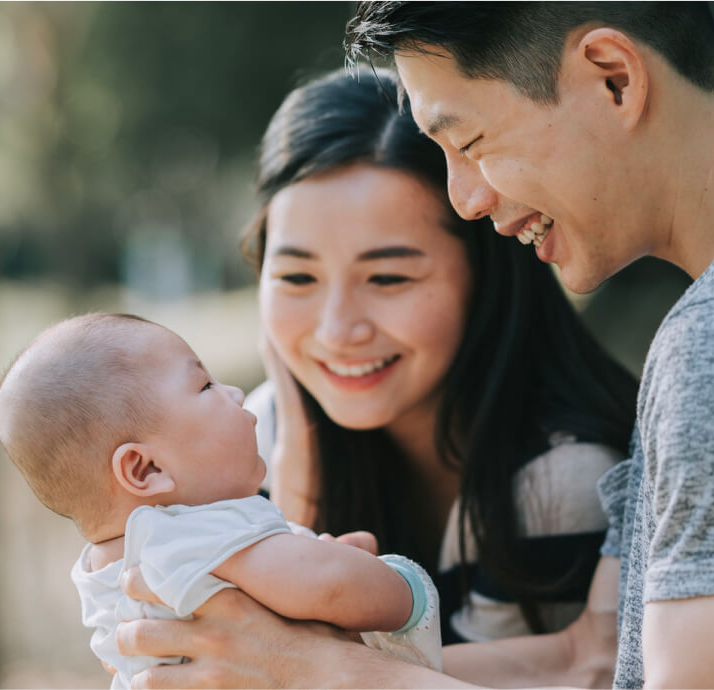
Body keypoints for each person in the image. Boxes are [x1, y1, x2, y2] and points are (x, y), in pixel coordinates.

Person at [116, 3, 714, 688]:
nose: (465, 198)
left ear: (613, 76)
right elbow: (596, 659)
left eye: (471, 139)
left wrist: (323, 678)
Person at [120, 66, 641, 688]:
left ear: (486, 278)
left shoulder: (557, 476)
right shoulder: (256, 433)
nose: (339, 329)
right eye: (297, 278)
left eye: (389, 278)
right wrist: (294, 465)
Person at [0, 313, 442, 689]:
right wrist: (399, 585)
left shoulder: (106, 570)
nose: (235, 393)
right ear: (145, 470)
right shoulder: (193, 533)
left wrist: (304, 553)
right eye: (205, 386)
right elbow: (331, 586)